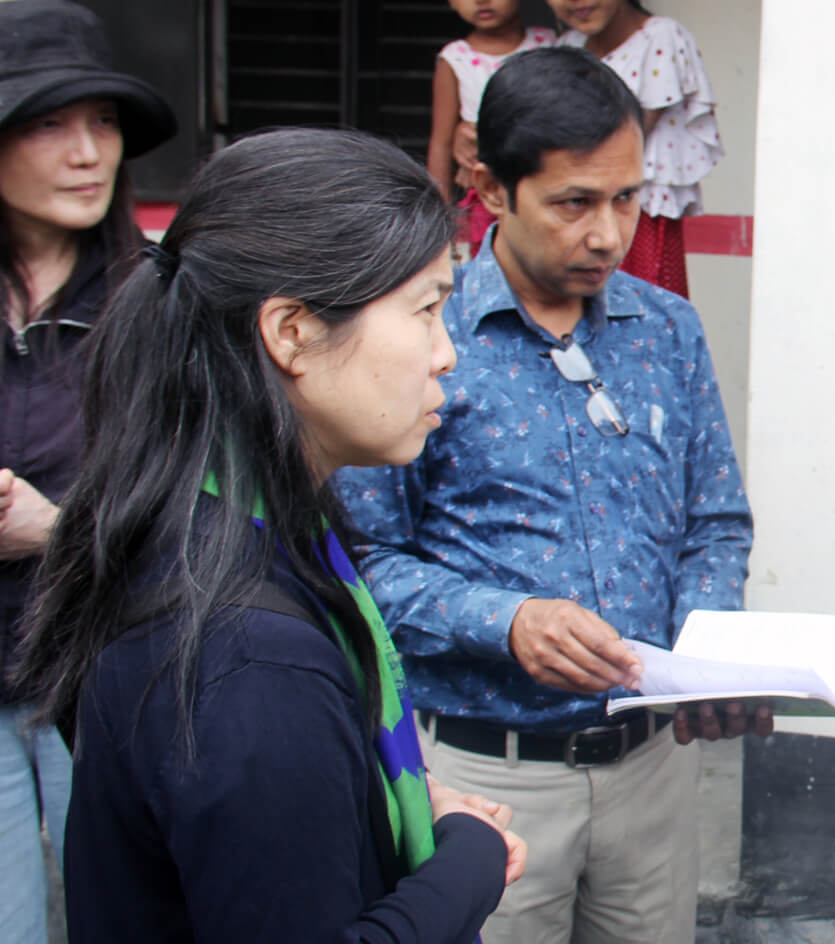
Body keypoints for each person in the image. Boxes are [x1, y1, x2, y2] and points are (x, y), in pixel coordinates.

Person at [7, 127, 524, 943]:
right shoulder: (247, 652)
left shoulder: (216, 530)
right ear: (291, 333)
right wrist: (472, 855)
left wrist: (393, 808)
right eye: (426, 310)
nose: (446, 354)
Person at [334, 46, 758, 944]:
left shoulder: (667, 328)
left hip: (651, 773)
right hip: (489, 781)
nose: (608, 233)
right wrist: (505, 619)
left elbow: (715, 522)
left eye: (628, 198)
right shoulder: (420, 336)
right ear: (490, 188)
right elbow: (361, 563)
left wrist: (708, 654)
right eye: (574, 203)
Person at [0, 0, 176, 942]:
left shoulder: (157, 300)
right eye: (48, 124)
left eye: (102, 122)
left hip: (108, 678)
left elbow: (211, 508)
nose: (87, 152)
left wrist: (54, 528)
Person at [525, 0, 723, 299]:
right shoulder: (567, 47)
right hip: (577, 218)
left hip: (637, 219)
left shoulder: (660, 39)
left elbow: (623, 138)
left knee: (642, 322)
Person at [423, 0, 555, 257]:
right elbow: (440, 142)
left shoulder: (549, 44)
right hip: (483, 198)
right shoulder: (455, 58)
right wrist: (439, 215)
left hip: (543, 188)